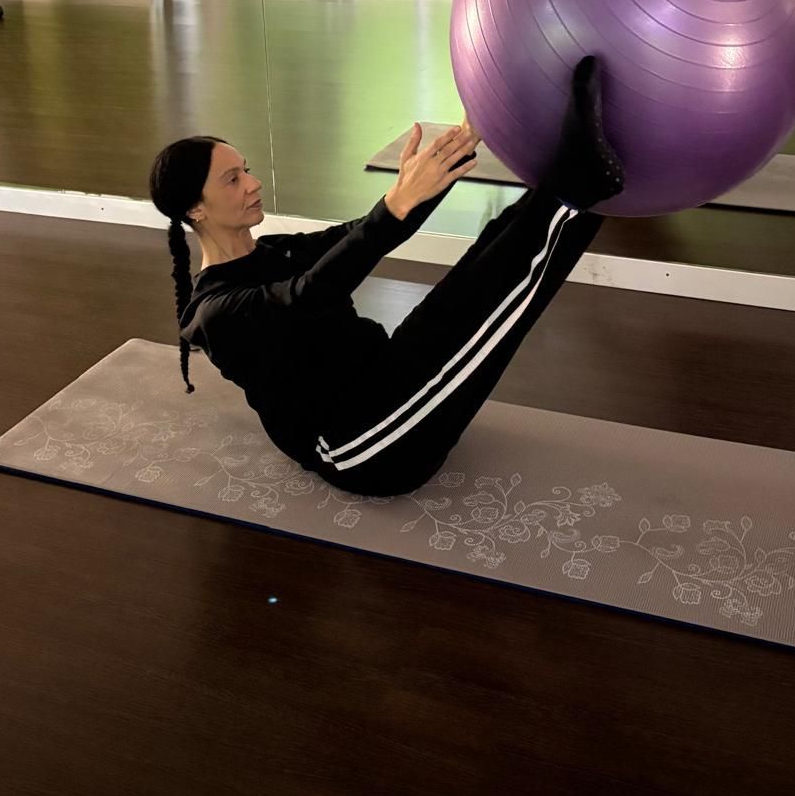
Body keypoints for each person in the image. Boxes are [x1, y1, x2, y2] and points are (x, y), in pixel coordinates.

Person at [148, 57, 623, 498]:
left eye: (246, 170)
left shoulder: (274, 250)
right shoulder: (217, 314)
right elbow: (310, 294)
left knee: (474, 270)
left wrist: (459, 143)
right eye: (232, 180)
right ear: (195, 209)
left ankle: (577, 170)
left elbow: (362, 234)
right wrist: (395, 204)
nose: (252, 183)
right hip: (362, 445)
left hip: (381, 376)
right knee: (490, 304)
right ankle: (581, 187)